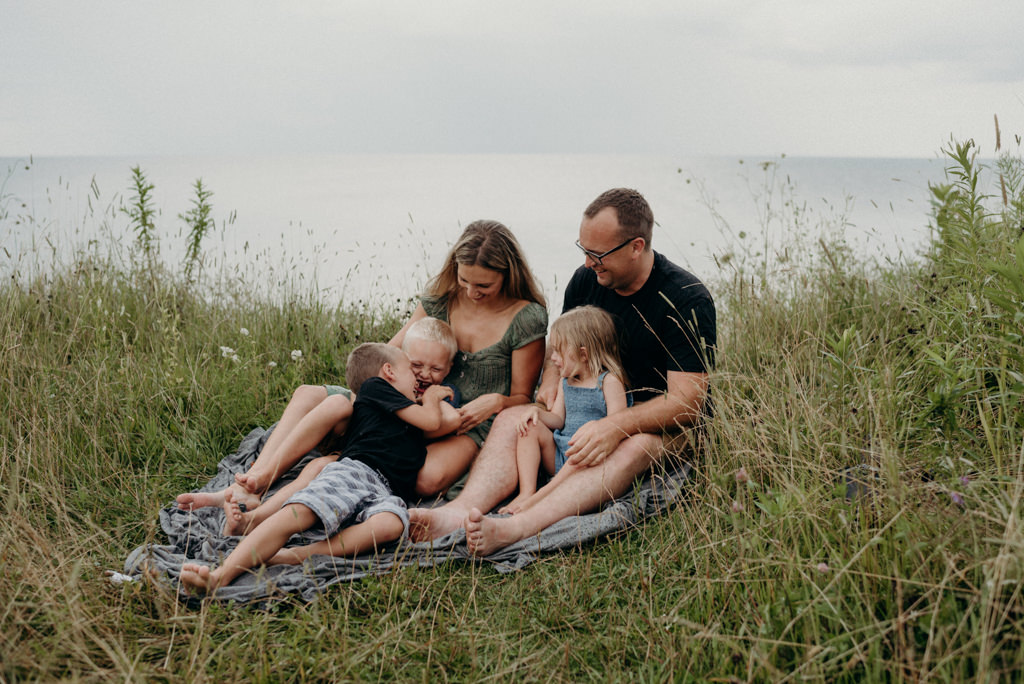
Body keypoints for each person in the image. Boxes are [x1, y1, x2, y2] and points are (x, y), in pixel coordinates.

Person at [408, 188, 717, 556]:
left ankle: (515, 528)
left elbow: (688, 403)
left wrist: (613, 427)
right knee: (514, 418)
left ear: (637, 246)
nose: (588, 263)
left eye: (598, 254)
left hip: (655, 426)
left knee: (635, 446)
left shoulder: (685, 297)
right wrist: (552, 385)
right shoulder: (587, 281)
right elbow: (559, 345)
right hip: (582, 410)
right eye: (583, 250)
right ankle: (456, 514)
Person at [178, 343, 452, 593]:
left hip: (388, 492)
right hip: (356, 472)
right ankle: (220, 576)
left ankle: (300, 554)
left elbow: (446, 423)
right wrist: (433, 397)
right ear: (389, 371)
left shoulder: (409, 416)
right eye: (411, 371)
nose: (418, 379)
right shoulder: (375, 388)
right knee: (296, 514)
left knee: (391, 524)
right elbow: (431, 421)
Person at [175, 317, 461, 512]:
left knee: (319, 467)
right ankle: (255, 479)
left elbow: (443, 420)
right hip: (363, 428)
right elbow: (374, 371)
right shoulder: (391, 380)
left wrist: (428, 399)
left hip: (370, 455)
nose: (424, 375)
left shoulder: (432, 396)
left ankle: (260, 507)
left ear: (448, 369)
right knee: (314, 396)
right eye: (416, 366)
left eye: (435, 370)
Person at [389, 219, 548, 498]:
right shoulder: (440, 301)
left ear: (508, 274)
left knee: (424, 479)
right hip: (420, 408)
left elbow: (523, 396)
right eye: (464, 280)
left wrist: (498, 401)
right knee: (320, 399)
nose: (471, 292)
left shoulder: (526, 318)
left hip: (473, 424)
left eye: (484, 285)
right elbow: (390, 355)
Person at [497, 306, 627, 515]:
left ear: (583, 354)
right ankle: (527, 491)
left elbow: (617, 426)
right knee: (529, 427)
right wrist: (537, 413)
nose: (553, 358)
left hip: (589, 457)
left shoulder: (608, 382)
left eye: (558, 351)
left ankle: (541, 496)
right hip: (560, 455)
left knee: (580, 446)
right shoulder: (566, 382)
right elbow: (558, 419)